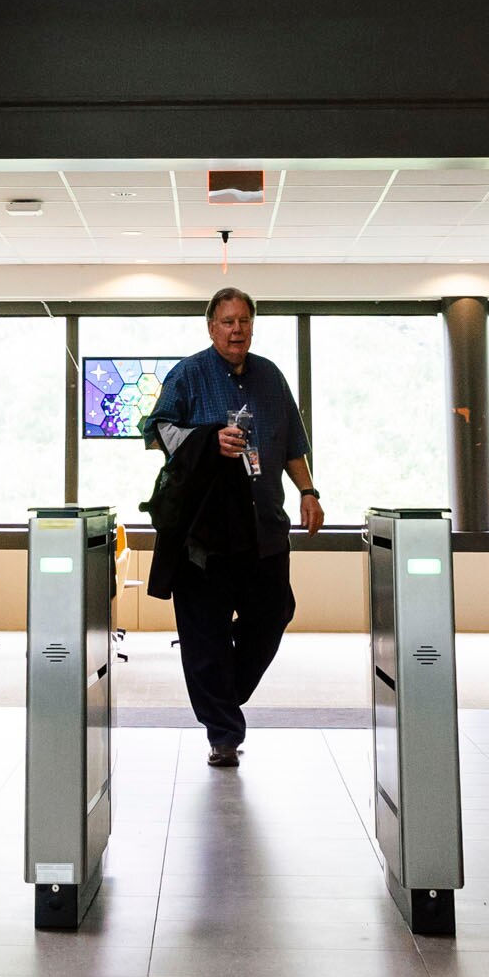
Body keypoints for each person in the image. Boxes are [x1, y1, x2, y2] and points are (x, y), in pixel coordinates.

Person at [141, 287, 321, 766]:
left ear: (252, 325)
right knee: (204, 634)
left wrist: (308, 492)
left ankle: (222, 693)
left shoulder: (271, 377)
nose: (236, 329)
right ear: (211, 327)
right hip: (205, 533)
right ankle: (223, 734)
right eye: (227, 322)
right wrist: (207, 439)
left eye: (243, 321)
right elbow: (156, 430)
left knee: (274, 613)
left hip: (264, 527)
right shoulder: (189, 374)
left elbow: (292, 444)